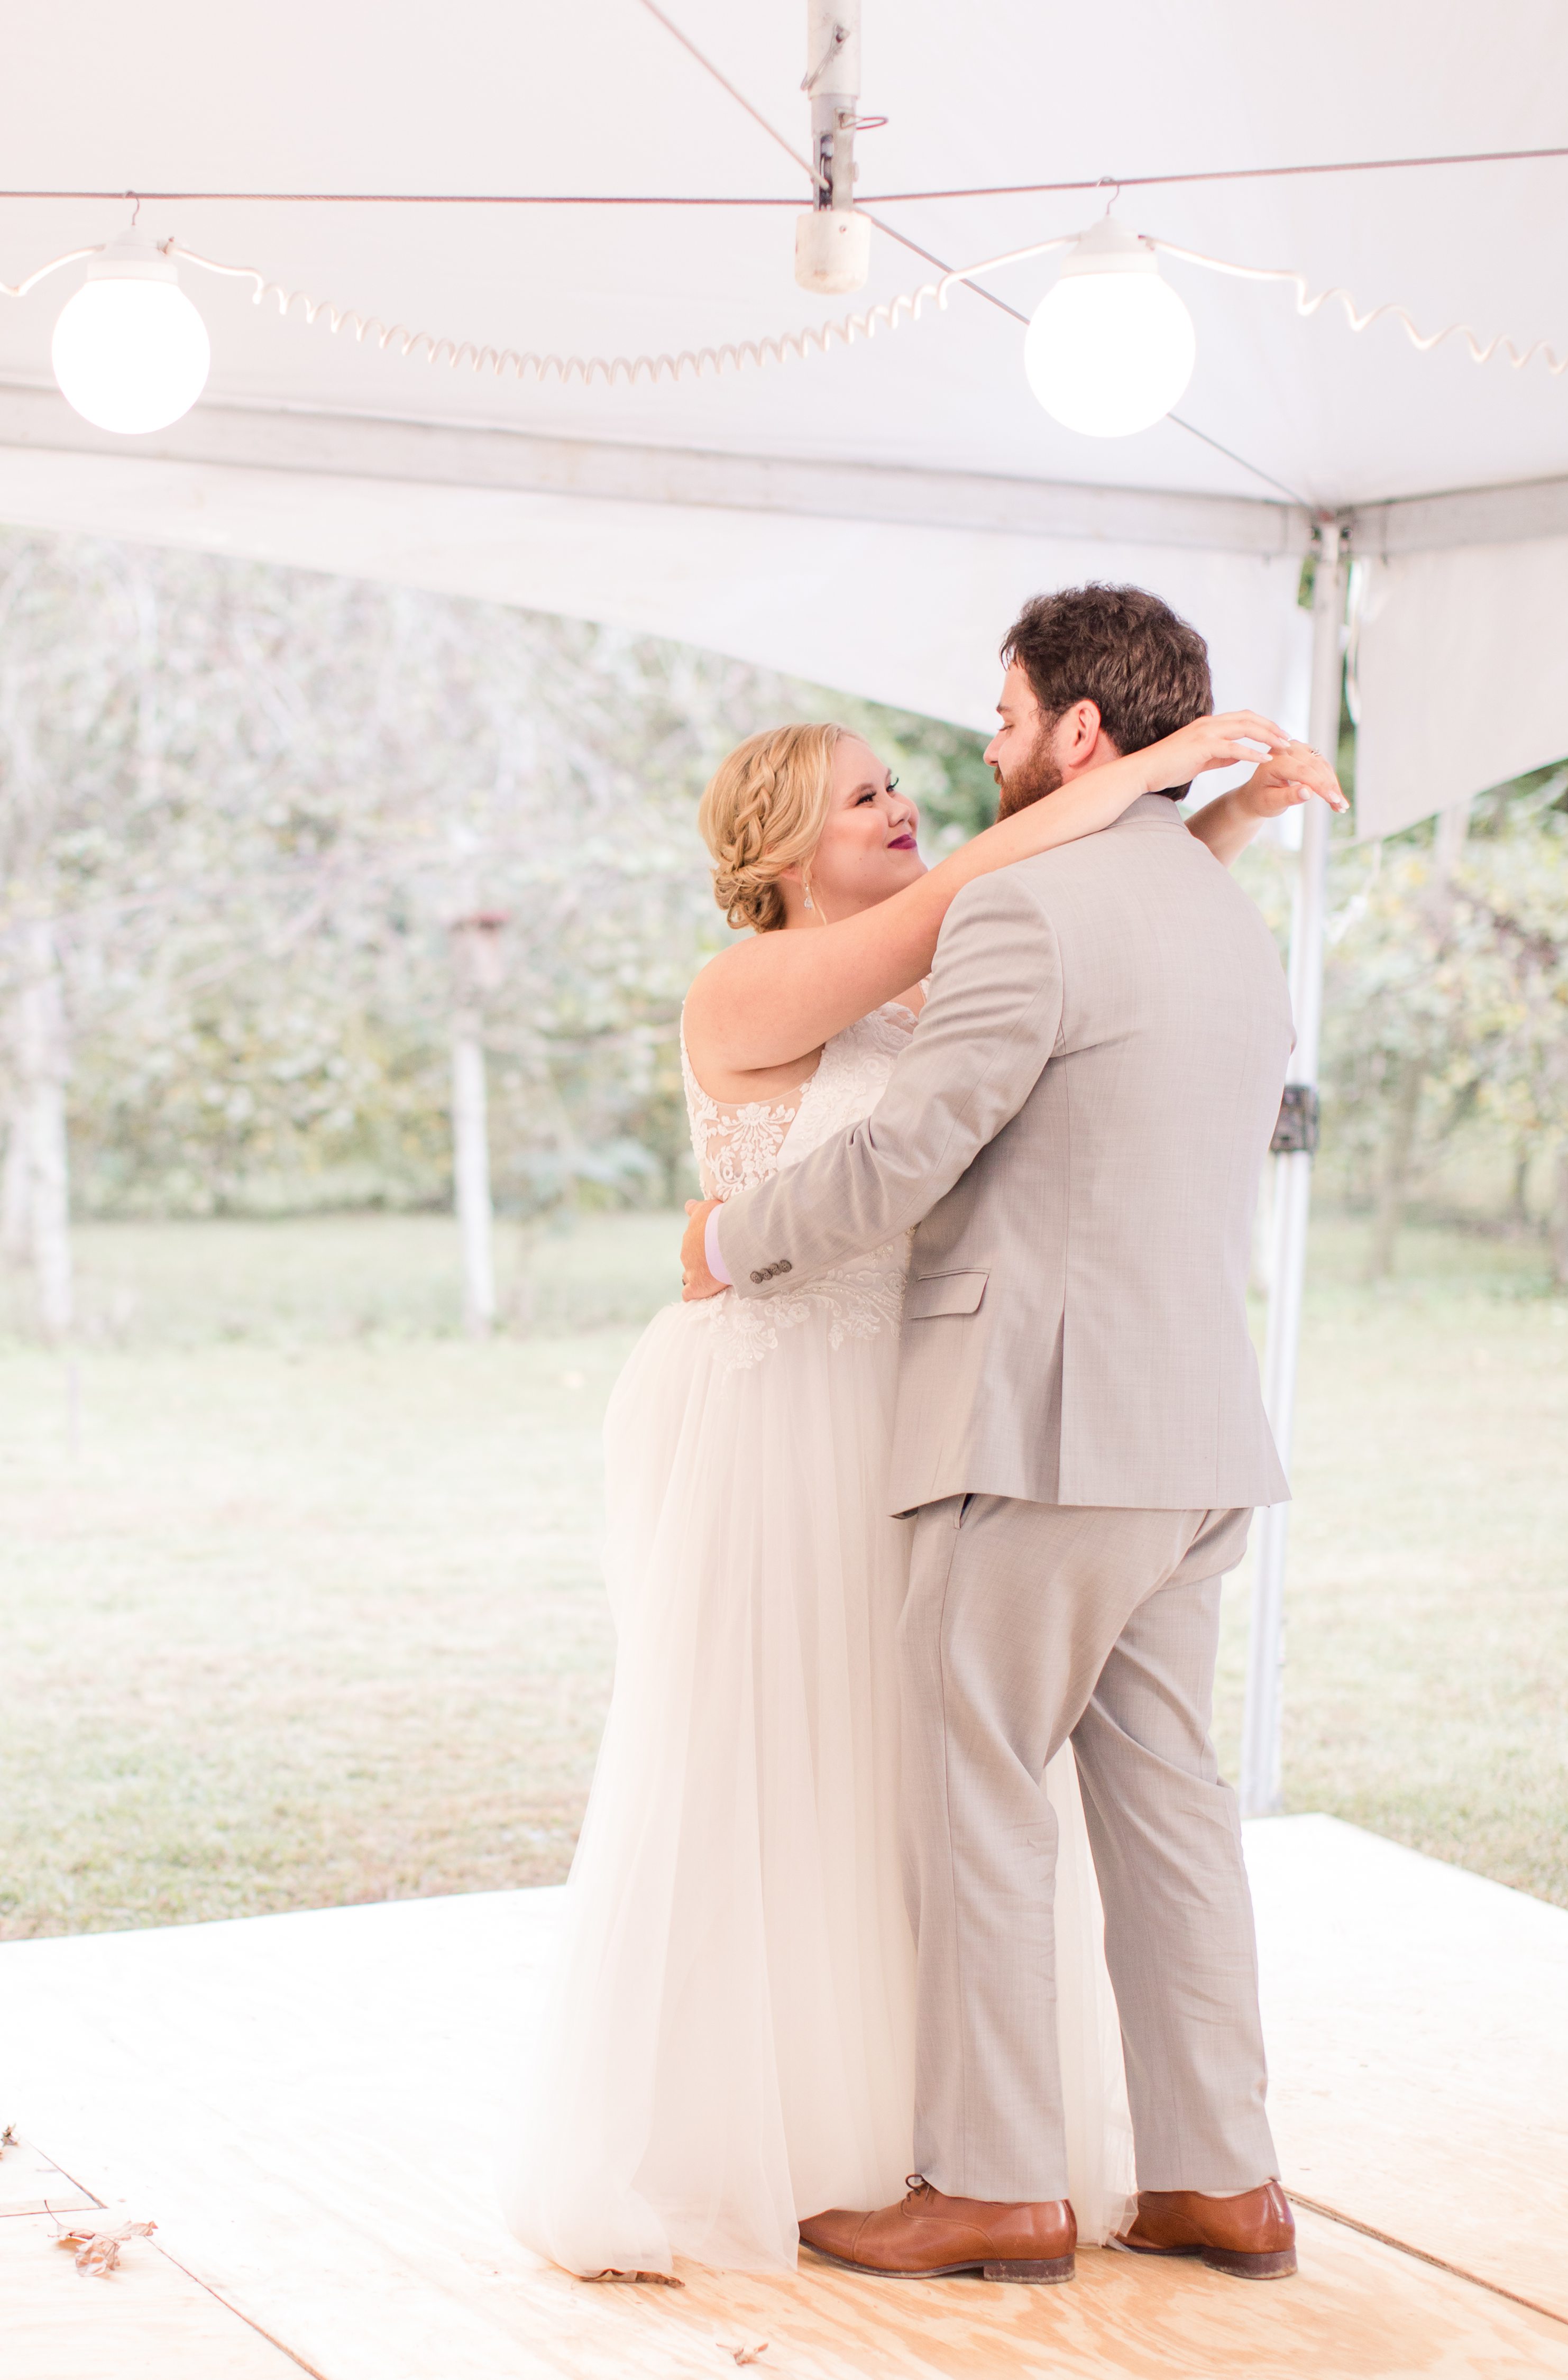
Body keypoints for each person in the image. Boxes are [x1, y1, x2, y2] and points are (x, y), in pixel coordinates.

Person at [502, 582, 1342, 2281]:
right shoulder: (1151, 920)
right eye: (869, 787)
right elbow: (1060, 946)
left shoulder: (1013, 914)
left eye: (997, 723)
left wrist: (721, 1240)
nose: (945, 778)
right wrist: (1198, 809)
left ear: (1076, 736)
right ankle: (1219, 2174)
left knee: (973, 1793)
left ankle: (997, 2184)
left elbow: (916, 1138)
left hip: (1024, 1423)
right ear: (784, 836)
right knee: (1155, 1796)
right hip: (1129, 1425)